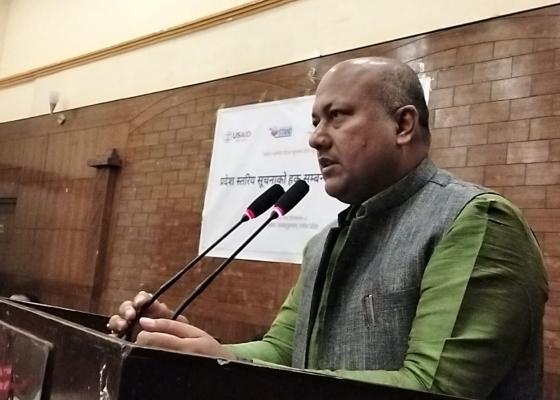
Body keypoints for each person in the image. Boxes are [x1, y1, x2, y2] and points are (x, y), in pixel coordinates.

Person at [108, 57, 548, 399]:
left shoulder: (474, 222)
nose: (316, 138)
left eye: (337, 116)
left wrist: (231, 369)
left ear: (403, 124)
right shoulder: (324, 243)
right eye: (315, 121)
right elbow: (284, 351)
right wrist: (200, 351)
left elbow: (435, 389)